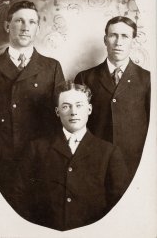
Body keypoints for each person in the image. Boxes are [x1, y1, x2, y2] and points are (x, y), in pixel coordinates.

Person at [0, 0, 65, 199]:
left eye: (32, 22)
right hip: (0, 158)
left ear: (38, 28)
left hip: (38, 159)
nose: (26, 28)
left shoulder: (52, 67)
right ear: (8, 26)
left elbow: (59, 119)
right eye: (19, 21)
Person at [13, 82, 128, 231]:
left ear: (89, 109)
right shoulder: (36, 149)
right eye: (66, 106)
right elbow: (18, 196)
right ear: (57, 111)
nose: (73, 112)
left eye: (79, 105)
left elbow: (121, 205)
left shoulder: (109, 153)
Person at [75, 16, 150, 180]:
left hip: (135, 163)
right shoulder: (85, 78)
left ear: (133, 41)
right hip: (96, 161)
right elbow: (78, 124)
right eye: (113, 35)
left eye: (125, 36)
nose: (118, 42)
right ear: (105, 39)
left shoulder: (147, 79)